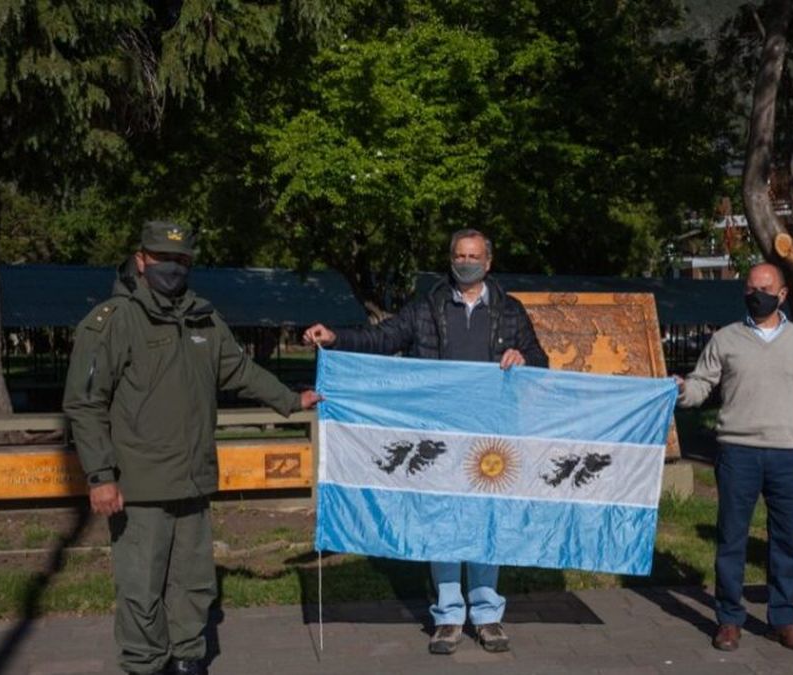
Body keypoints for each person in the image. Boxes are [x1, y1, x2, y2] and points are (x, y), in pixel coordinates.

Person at [63, 221, 322, 675]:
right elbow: (84, 404)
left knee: (195, 583)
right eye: (163, 258)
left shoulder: (203, 318)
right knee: (142, 587)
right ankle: (146, 664)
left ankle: (187, 658)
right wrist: (100, 476)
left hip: (193, 479)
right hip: (138, 485)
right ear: (141, 259)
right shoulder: (113, 321)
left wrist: (290, 400)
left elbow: (239, 371)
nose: (172, 267)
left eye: (182, 260)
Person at [302, 228, 548, 655]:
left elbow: (541, 361)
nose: (466, 261)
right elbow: (385, 338)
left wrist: (524, 358)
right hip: (437, 436)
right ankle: (449, 616)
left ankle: (487, 615)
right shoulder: (427, 307)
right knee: (443, 524)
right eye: (459, 254)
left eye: (473, 255)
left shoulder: (510, 311)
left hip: (489, 438)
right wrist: (337, 339)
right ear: (450, 260)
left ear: (488, 262)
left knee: (485, 522)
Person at [675, 263, 793, 653]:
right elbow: (701, 385)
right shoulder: (726, 339)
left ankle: (784, 618)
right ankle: (729, 619)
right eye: (750, 287)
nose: (756, 293)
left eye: (764, 288)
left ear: (781, 295)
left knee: (783, 542)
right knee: (731, 539)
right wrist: (681, 391)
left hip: (787, 454)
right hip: (737, 452)